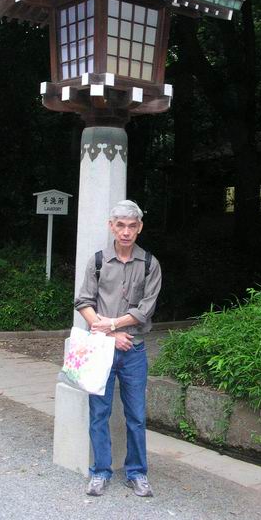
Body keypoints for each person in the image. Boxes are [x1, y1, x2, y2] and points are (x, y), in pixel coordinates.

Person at [74, 200, 162, 498]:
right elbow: (84, 302)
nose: (126, 231)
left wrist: (112, 325)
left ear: (140, 228)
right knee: (99, 413)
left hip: (134, 351)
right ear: (111, 226)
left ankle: (136, 473)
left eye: (132, 226)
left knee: (136, 416)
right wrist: (112, 335)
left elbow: (145, 310)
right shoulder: (98, 261)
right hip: (101, 349)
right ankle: (100, 471)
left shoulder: (149, 263)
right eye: (120, 225)